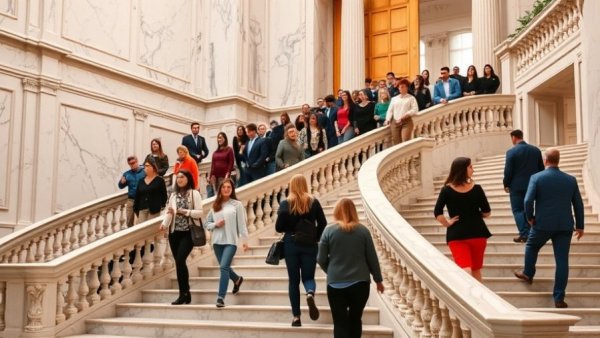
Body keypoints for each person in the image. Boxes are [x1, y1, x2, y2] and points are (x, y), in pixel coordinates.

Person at [514, 148, 584, 309]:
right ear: (558, 160)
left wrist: (530, 218)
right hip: (565, 225)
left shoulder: (537, 178)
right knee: (562, 261)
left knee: (531, 246)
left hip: (542, 224)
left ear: (545, 160)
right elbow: (578, 205)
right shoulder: (570, 180)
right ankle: (559, 298)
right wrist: (580, 226)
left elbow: (527, 201)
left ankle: (528, 273)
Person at [318, 198, 384, 338]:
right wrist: (378, 280)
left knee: (340, 323)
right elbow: (372, 257)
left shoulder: (328, 231)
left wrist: (331, 271)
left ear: (336, 211)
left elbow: (320, 259)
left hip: (335, 284)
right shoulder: (363, 231)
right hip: (360, 284)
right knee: (355, 320)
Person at [275, 174, 327, 327]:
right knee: (308, 277)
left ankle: (296, 317)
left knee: (293, 280)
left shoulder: (285, 204)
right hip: (309, 244)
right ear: (305, 185)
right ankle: (310, 292)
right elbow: (323, 224)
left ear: (291, 186)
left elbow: (278, 227)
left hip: (291, 243)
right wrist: (314, 236)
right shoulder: (314, 202)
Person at [433, 157, 492, 281]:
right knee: (475, 271)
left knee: (466, 269)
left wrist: (447, 223)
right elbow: (487, 213)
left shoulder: (446, 190)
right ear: (462, 169)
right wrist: (476, 215)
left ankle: (469, 298)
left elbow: (437, 212)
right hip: (478, 233)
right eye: (470, 167)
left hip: (457, 234)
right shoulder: (477, 189)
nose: (473, 170)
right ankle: (477, 299)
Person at [160, 169, 203, 305]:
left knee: (180, 260)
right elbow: (170, 213)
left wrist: (184, 211)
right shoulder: (173, 195)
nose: (179, 179)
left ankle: (184, 293)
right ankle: (184, 294)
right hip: (174, 233)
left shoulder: (194, 193)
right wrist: (164, 224)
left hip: (188, 232)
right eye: (177, 177)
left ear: (188, 179)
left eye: (182, 177)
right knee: (179, 264)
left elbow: (200, 213)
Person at [205, 178, 249, 308]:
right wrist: (215, 224)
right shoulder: (215, 205)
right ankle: (237, 279)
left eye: (228, 187)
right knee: (225, 267)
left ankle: (221, 297)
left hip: (231, 242)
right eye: (224, 187)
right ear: (220, 189)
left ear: (232, 189)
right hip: (217, 242)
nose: (226, 189)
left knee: (223, 267)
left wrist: (245, 241)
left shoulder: (237, 205)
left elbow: (242, 224)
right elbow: (206, 224)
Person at [503, 130, 545, 243]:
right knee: (528, 209)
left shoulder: (511, 152)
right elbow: (541, 169)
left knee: (518, 210)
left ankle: (524, 234)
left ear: (513, 138)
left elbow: (508, 171)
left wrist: (506, 184)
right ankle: (531, 233)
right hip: (533, 185)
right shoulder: (535, 150)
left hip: (516, 187)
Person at [385, 78, 418, 145]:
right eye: (399, 87)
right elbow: (390, 110)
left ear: (407, 88)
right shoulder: (394, 99)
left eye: (402, 87)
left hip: (406, 122)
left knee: (405, 141)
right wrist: (387, 119)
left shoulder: (411, 98)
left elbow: (415, 109)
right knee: (396, 142)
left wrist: (406, 115)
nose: (400, 88)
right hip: (395, 122)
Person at [133, 158, 168, 223]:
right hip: (142, 209)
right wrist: (136, 209)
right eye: (145, 166)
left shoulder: (160, 180)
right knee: (142, 229)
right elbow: (137, 196)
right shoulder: (141, 181)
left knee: (151, 230)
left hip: (154, 210)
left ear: (153, 167)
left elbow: (164, 195)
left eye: (147, 166)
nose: (145, 168)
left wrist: (161, 206)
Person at [118, 155, 146, 227]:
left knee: (141, 220)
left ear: (137, 161)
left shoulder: (144, 171)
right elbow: (120, 186)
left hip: (142, 199)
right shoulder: (127, 174)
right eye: (130, 164)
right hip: (131, 200)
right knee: (129, 220)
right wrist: (121, 182)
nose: (132, 165)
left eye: (133, 162)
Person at [208, 132, 235, 198]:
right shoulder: (215, 152)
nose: (219, 139)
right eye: (218, 138)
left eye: (220, 137)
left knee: (224, 194)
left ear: (225, 139)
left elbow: (231, 163)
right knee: (217, 195)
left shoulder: (229, 149)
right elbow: (213, 165)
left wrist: (227, 174)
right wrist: (210, 176)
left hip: (224, 177)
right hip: (215, 177)